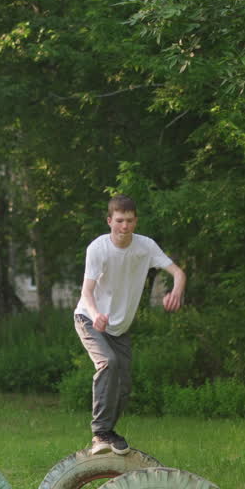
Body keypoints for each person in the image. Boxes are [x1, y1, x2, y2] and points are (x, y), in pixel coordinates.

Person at [74, 194, 186, 455]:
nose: (125, 227)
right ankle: (99, 433)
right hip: (89, 319)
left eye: (130, 221)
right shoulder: (98, 248)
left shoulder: (145, 246)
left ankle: (109, 433)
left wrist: (177, 290)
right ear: (109, 220)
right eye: (120, 221)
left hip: (119, 328)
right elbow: (87, 292)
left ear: (136, 221)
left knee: (124, 384)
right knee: (107, 363)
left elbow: (178, 272)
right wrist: (96, 314)